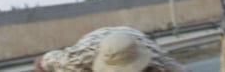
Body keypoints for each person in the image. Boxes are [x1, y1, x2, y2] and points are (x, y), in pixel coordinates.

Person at [35, 26, 188, 72]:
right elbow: (40, 63)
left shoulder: (159, 62)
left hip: (131, 35)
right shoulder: (75, 60)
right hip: (95, 41)